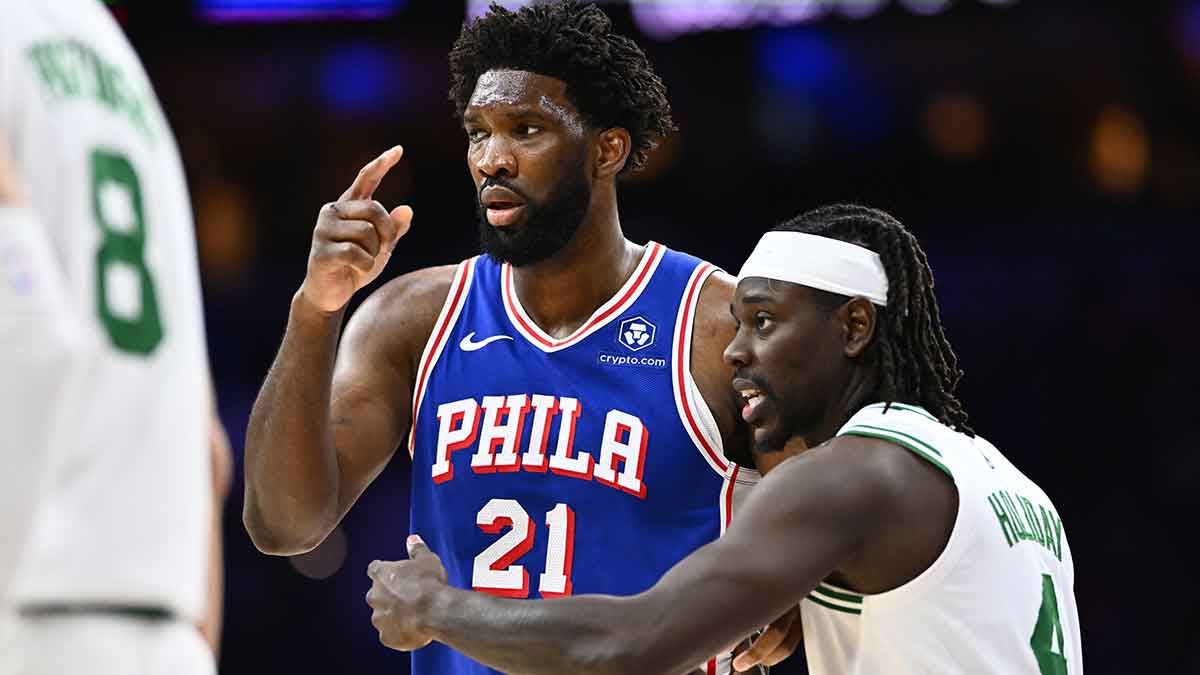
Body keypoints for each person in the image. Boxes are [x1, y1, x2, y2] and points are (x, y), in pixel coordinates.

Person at [243, 2, 765, 673]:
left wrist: (785, 605)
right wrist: (315, 307)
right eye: (478, 132)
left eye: (526, 129)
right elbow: (285, 523)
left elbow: (824, 544)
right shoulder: (411, 318)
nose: (493, 158)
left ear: (606, 148)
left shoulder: (714, 321)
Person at [363, 204, 1085, 675]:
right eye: (737, 323)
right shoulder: (1004, 479)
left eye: (765, 322)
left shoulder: (845, 476)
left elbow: (629, 645)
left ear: (854, 327)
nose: (736, 351)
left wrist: (434, 608)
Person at [0, 1, 230, 673]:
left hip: (30, 605)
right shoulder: (122, 70)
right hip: (167, 628)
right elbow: (207, 451)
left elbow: (27, 331)